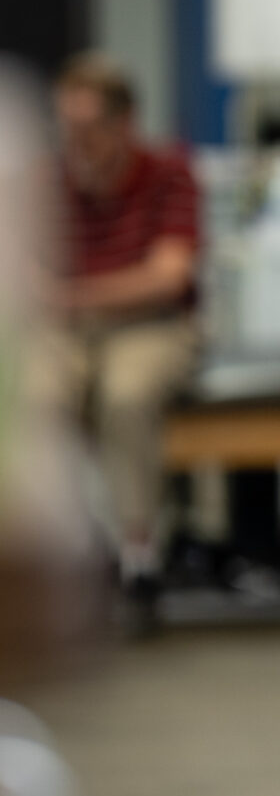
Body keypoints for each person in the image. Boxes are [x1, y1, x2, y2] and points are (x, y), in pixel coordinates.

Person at [43, 53, 200, 589]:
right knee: (40, 395)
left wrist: (72, 295)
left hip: (151, 326)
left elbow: (167, 278)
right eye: (67, 127)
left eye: (87, 127)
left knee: (126, 395)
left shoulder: (169, 174)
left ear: (124, 122)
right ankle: (61, 551)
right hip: (68, 331)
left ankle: (139, 555)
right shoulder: (50, 179)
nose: (76, 141)